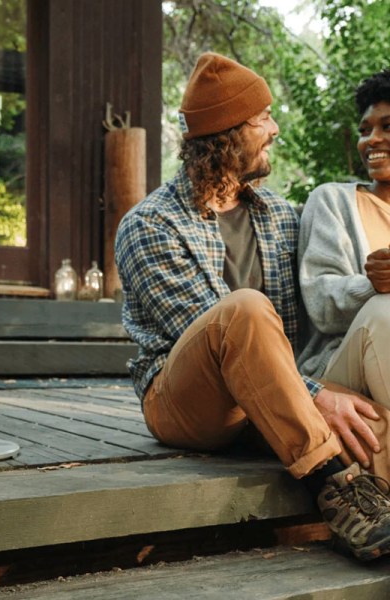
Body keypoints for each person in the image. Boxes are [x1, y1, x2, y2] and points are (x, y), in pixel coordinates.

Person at [115, 52, 390, 561]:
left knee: (373, 426)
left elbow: (320, 313)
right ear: (226, 132)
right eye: (263, 118)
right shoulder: (149, 224)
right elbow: (203, 333)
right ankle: (338, 488)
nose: (275, 128)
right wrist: (318, 397)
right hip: (190, 403)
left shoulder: (283, 216)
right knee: (243, 308)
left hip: (280, 392)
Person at [297, 69, 390, 470]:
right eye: (365, 129)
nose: (372, 140)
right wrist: (372, 286)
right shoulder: (334, 201)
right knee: (385, 311)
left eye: (387, 127)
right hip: (342, 364)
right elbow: (320, 302)